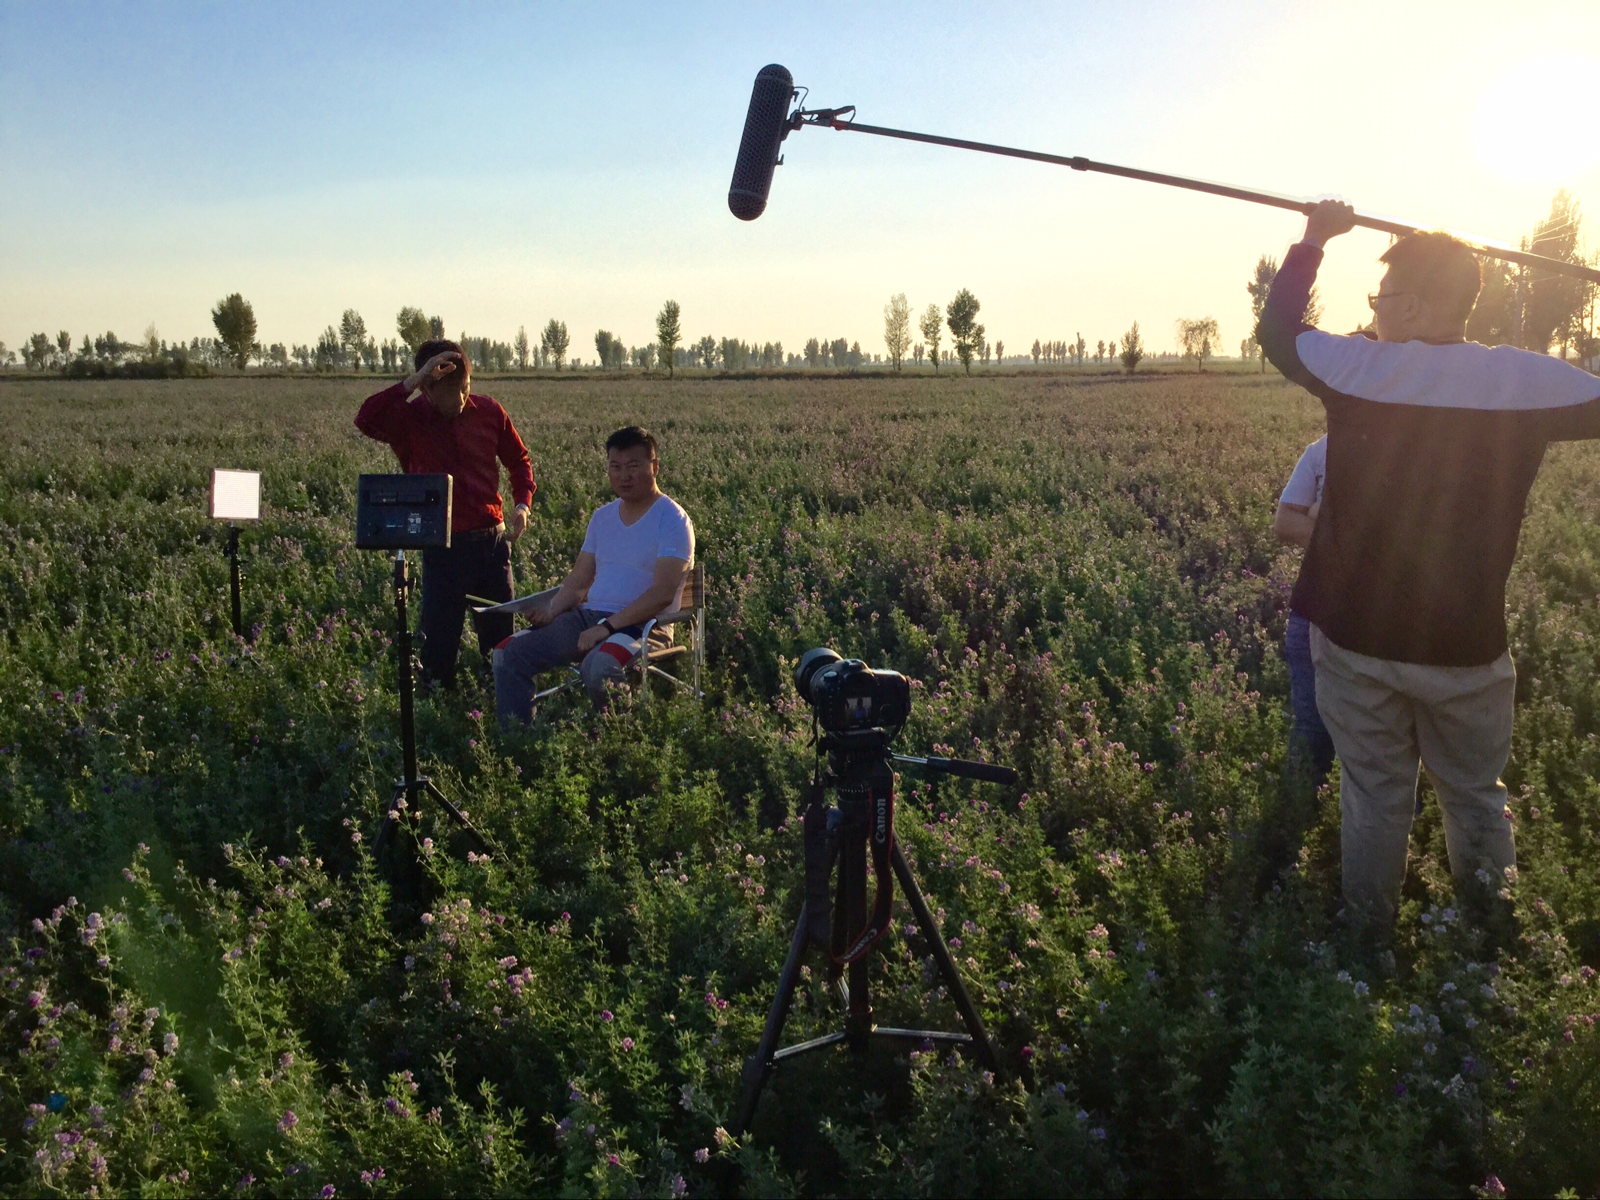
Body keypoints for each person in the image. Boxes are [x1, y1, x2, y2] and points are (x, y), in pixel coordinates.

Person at [1257, 198, 1600, 927]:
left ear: (1410, 305)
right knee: (1475, 795)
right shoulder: (1528, 381)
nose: (1374, 310)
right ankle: (1491, 932)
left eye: (1380, 297)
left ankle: (1368, 935)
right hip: (1466, 648)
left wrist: (1315, 238)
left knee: (1374, 794)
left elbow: (1279, 332)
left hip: (1354, 641)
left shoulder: (1361, 369)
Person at [355, 340, 535, 688]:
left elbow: (519, 460)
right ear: (426, 388)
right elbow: (366, 418)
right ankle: (437, 703)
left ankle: (497, 704)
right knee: (437, 647)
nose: (461, 400)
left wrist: (522, 504)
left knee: (500, 644)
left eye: (466, 389)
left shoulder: (489, 411)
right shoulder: (408, 419)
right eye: (452, 393)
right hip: (443, 548)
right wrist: (413, 380)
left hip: (492, 544)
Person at [493, 426, 694, 722]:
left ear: (655, 467)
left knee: (600, 666)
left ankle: (619, 736)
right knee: (507, 653)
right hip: (589, 618)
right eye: (615, 466)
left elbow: (662, 595)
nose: (624, 476)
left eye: (633, 466)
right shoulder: (603, 517)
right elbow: (579, 581)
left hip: (646, 627)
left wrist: (608, 627)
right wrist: (552, 610)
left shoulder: (673, 520)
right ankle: (517, 739)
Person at [1273, 434, 1336, 789]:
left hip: (1378, 621)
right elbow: (1284, 521)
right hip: (1310, 611)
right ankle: (1302, 808)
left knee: (1384, 740)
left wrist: (1317, 514)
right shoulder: (1321, 450)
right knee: (1311, 727)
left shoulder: (1413, 450)